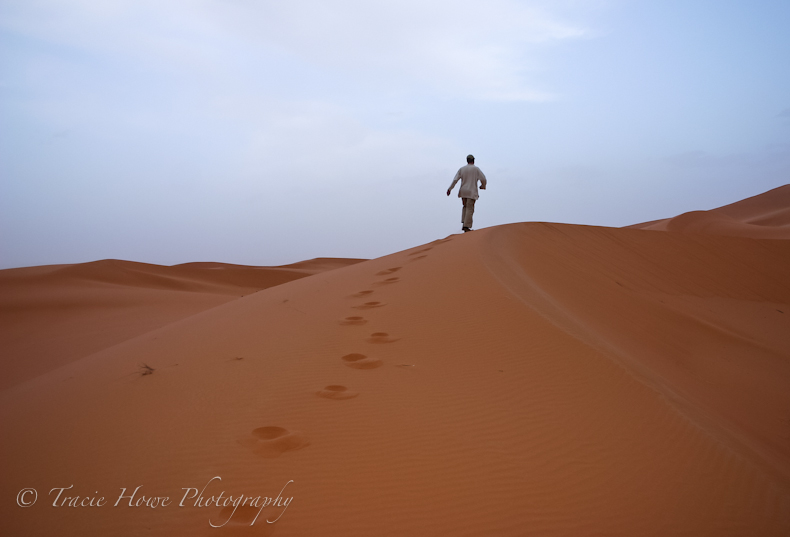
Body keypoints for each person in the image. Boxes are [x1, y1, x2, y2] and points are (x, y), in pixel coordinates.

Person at [447, 154, 487, 232]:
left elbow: (455, 180)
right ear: (473, 160)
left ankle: (464, 222)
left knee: (465, 206)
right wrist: (483, 186)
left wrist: (450, 189)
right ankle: (466, 226)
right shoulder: (476, 169)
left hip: (463, 191)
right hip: (471, 192)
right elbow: (484, 179)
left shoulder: (462, 169)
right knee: (470, 208)